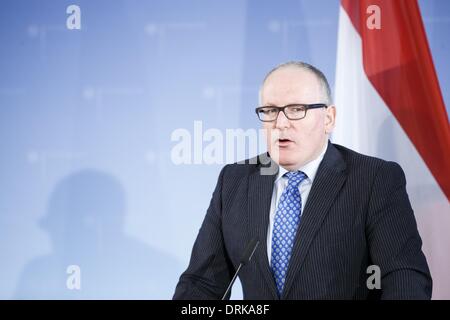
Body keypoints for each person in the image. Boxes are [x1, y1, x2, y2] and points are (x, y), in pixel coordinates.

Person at [173, 61, 432, 300]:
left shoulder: (374, 179)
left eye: (296, 109)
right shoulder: (235, 181)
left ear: (328, 118)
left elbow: (405, 280)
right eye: (270, 111)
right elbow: (201, 284)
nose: (281, 123)